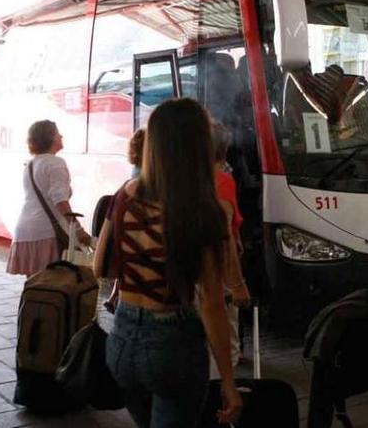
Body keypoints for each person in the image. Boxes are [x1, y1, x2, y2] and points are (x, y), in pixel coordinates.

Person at [94, 99, 243, 427]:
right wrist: (230, 384)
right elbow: (213, 305)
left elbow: (100, 267)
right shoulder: (205, 209)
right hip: (172, 346)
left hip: (121, 341)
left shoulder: (124, 195)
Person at [7, 120, 90, 275]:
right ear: (51, 137)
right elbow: (59, 200)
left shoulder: (31, 164)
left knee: (37, 287)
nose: (61, 136)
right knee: (55, 287)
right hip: (47, 233)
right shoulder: (56, 163)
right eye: (58, 133)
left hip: (25, 232)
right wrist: (78, 230)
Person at [211, 121, 251, 366]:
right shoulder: (222, 181)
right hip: (217, 270)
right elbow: (223, 237)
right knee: (226, 324)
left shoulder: (183, 178)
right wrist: (238, 285)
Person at [104, 129, 146, 313]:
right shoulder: (157, 185)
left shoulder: (124, 190)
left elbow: (100, 264)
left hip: (127, 318)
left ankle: (115, 297)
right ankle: (115, 296)